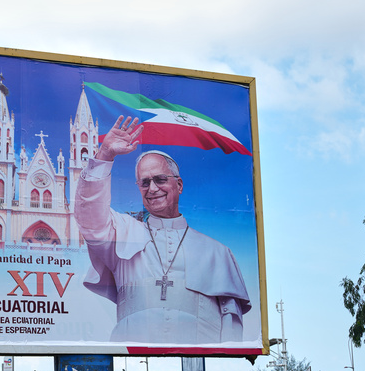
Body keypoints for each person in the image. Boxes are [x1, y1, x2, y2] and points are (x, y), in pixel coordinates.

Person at [74, 116, 251, 344]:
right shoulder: (122, 233)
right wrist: (105, 155)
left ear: (179, 185)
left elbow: (231, 324)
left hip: (202, 362)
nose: (153, 188)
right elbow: (89, 215)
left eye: (160, 179)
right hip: (132, 363)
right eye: (144, 182)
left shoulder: (217, 253)